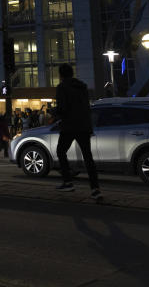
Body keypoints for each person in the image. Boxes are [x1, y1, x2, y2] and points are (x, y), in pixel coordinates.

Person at [54, 63, 101, 200]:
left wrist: (55, 112)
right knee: (88, 157)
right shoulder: (82, 87)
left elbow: (63, 108)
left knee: (61, 151)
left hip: (69, 125)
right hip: (84, 125)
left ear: (61, 75)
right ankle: (95, 188)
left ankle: (68, 181)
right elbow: (86, 107)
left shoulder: (62, 87)